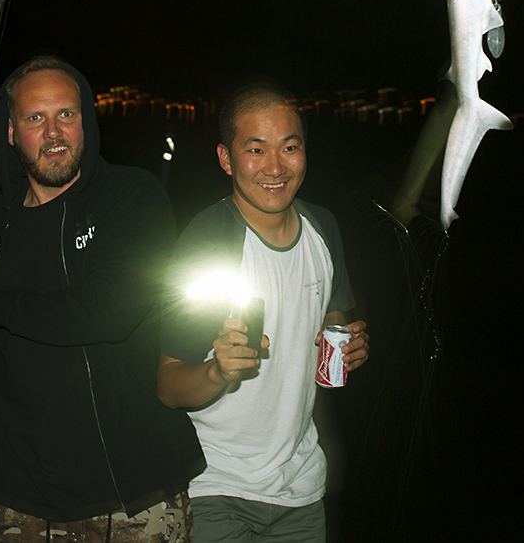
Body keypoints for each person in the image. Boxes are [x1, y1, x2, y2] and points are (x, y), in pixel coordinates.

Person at [0, 56, 205, 543]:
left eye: (67, 114)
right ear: (12, 132)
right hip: (14, 499)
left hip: (133, 497)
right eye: (36, 118)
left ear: (86, 120)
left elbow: (111, 309)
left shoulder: (131, 197)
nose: (54, 131)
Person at [158, 85, 369, 543]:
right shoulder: (205, 240)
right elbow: (168, 384)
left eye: (289, 147)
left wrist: (345, 340)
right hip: (216, 486)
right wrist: (217, 371)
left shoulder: (323, 228)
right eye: (256, 150)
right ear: (226, 158)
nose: (275, 167)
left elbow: (332, 311)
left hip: (301, 487)